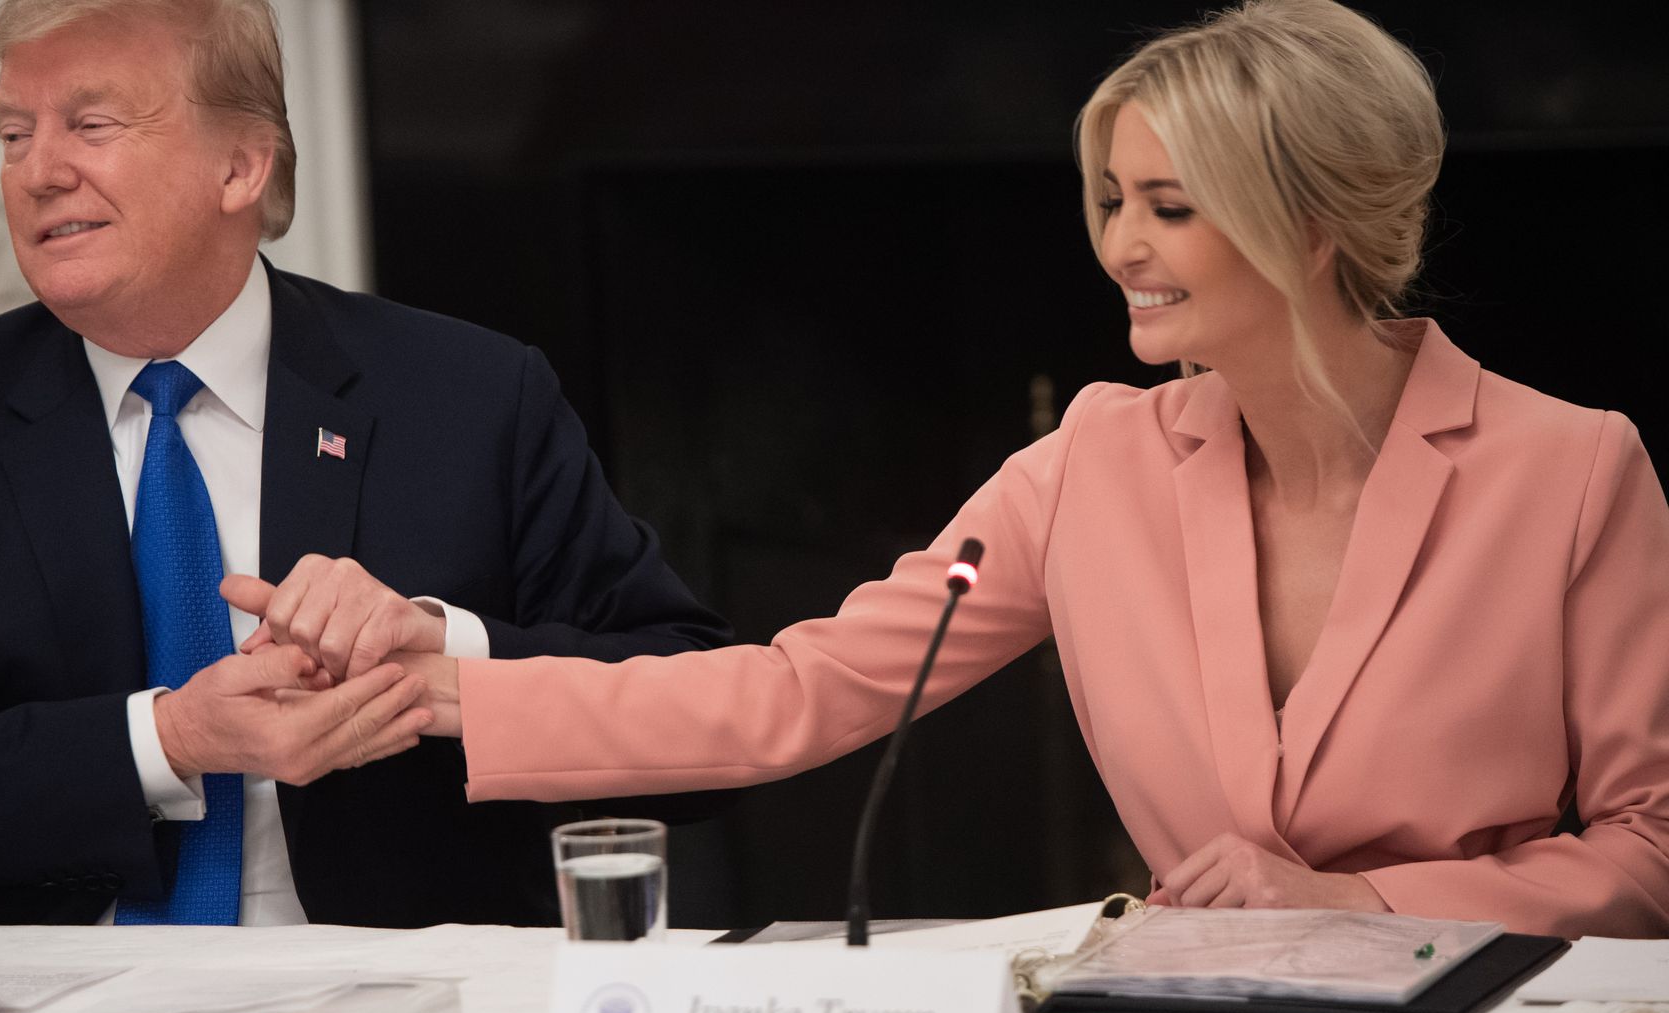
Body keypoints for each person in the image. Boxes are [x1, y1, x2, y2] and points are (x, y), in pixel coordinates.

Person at [349, 0, 1669, 939]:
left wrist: (1366, 901)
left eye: (1169, 207)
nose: (1121, 247)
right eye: (1113, 200)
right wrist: (445, 689)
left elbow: (1650, 850)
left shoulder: (1572, 473)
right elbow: (799, 692)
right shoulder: (1090, 465)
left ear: (1313, 225)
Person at [0, 0, 727, 929]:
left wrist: (448, 651)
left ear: (240, 166)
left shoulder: (470, 397)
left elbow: (700, 720)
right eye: (15, 135)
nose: (38, 173)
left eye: (91, 126)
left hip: (394, 980)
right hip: (52, 995)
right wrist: (170, 740)